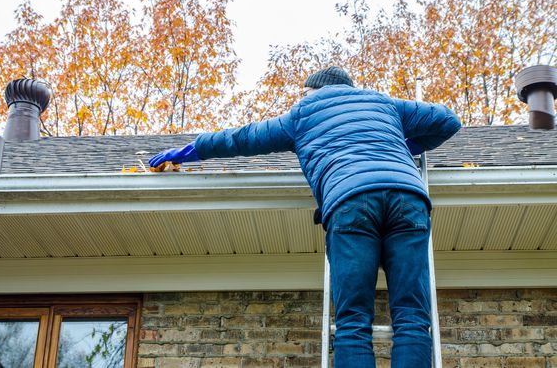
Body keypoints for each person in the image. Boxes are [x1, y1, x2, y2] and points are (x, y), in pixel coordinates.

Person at [148, 66, 461, 367]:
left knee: (353, 320)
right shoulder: (384, 103)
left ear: (313, 91)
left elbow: (241, 138)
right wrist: (410, 146)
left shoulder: (302, 113)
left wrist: (188, 151)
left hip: (350, 200)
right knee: (412, 318)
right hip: (408, 199)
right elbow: (448, 120)